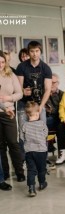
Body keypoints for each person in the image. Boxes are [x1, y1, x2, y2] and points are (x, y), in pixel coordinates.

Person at [16, 40, 52, 159]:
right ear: (29, 52)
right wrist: (23, 91)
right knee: (23, 133)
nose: (35, 54)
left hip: (39, 104)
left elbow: (48, 89)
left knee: (41, 132)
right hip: (24, 104)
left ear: (40, 52)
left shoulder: (46, 68)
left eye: (37, 51)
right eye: (32, 51)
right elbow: (18, 87)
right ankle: (25, 160)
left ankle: (42, 159)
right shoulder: (21, 67)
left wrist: (41, 106)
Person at [0, 50, 25, 183]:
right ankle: (4, 173)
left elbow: (19, 94)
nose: (1, 65)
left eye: (3, 62)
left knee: (13, 143)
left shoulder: (10, 75)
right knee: (0, 146)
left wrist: (8, 98)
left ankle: (19, 172)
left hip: (9, 112)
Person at [20, 101, 48, 197]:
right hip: (41, 151)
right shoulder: (42, 124)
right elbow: (45, 134)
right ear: (37, 113)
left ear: (27, 114)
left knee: (31, 170)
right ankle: (42, 183)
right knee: (41, 169)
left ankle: (31, 188)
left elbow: (22, 137)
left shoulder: (24, 125)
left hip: (29, 151)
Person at [45, 73, 65, 164]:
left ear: (58, 83)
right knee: (41, 124)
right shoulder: (44, 94)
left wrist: (53, 111)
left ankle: (62, 153)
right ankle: (43, 154)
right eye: (50, 82)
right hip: (48, 119)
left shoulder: (62, 94)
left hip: (60, 118)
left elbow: (64, 109)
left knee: (61, 125)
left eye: (54, 82)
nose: (52, 84)